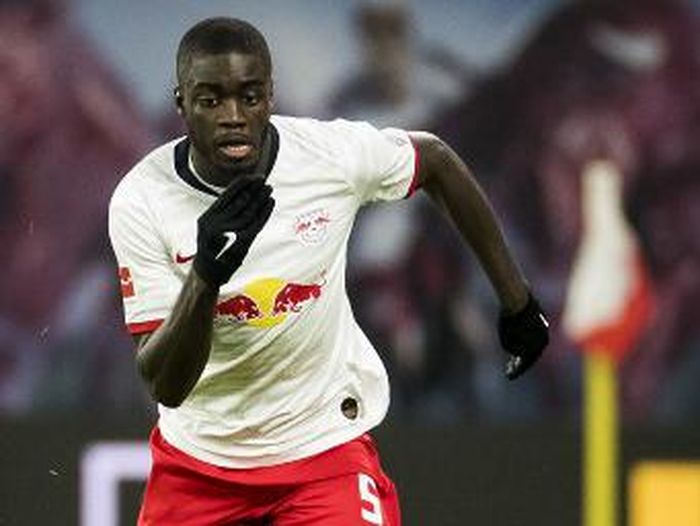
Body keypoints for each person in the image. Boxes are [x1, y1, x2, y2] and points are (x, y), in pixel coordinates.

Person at [108, 17, 549, 525]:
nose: (233, 117)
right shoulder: (141, 201)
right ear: (182, 103)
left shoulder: (329, 157)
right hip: (201, 466)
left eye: (249, 97)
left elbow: (436, 161)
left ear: (270, 97)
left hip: (323, 452)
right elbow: (165, 383)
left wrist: (517, 303)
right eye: (211, 100)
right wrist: (206, 276)